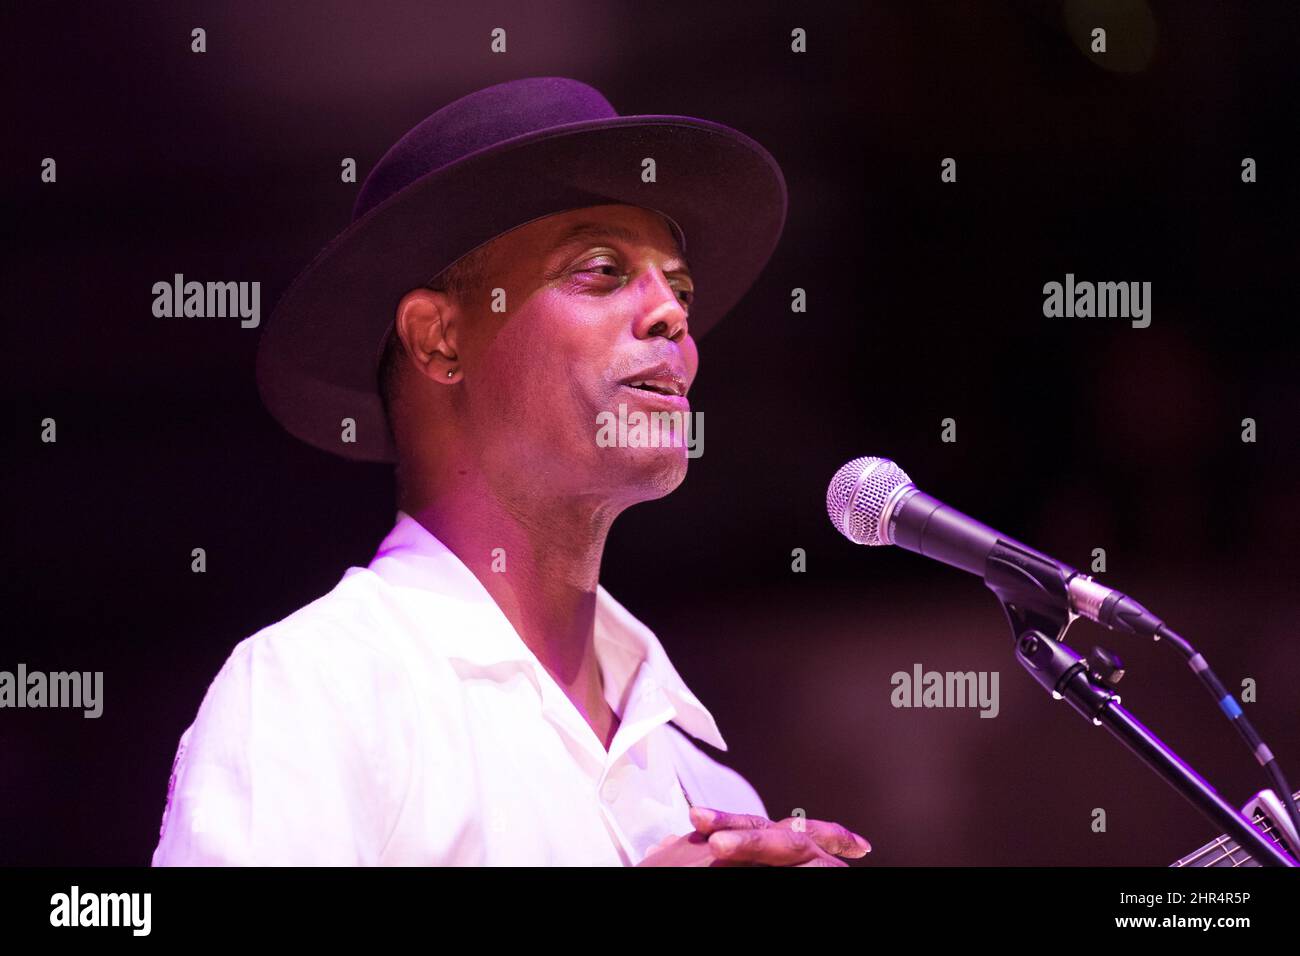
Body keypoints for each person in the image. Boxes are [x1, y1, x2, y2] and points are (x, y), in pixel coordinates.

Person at [152, 76, 869, 866]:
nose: (673, 313)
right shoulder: (315, 691)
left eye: (680, 285)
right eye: (600, 268)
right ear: (440, 341)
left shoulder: (706, 789)